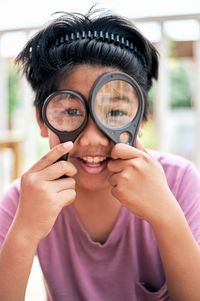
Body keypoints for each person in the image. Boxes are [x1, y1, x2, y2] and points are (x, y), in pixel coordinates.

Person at [0, 7, 200, 301]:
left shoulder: (180, 181)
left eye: (117, 112)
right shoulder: (24, 201)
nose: (92, 139)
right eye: (70, 111)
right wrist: (24, 233)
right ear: (43, 121)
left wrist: (167, 217)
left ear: (142, 120)